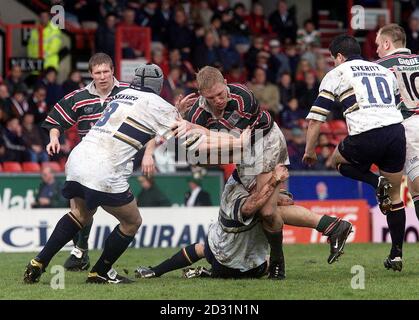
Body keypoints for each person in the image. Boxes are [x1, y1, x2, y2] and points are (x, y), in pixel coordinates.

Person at [23, 63, 188, 284]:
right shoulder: (162, 105)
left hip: (78, 157)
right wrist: (181, 113)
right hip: (105, 168)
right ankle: (100, 271)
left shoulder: (123, 94)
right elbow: (179, 133)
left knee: (81, 215)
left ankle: (39, 262)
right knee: (132, 222)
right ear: (158, 86)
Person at [135, 164, 352, 280]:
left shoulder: (247, 186)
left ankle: (332, 227)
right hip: (246, 266)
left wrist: (157, 270)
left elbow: (192, 251)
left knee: (205, 248)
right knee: (269, 212)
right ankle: (330, 226)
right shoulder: (233, 198)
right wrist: (276, 183)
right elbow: (251, 206)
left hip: (229, 260)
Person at [302, 35, 406, 271]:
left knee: (336, 160)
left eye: (333, 59)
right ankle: (397, 254)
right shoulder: (383, 70)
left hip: (366, 134)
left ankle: (373, 180)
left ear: (339, 56)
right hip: (395, 132)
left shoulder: (337, 73)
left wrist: (310, 151)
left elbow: (317, 118)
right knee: (394, 196)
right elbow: (397, 105)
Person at [41, 53, 129, 272]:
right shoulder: (79, 97)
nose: (102, 76)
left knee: (86, 209)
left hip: (118, 161)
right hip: (88, 160)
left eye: (106, 71)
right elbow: (56, 120)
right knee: (82, 208)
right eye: (97, 72)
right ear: (90, 74)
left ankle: (81, 252)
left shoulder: (128, 93)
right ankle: (82, 252)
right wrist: (54, 138)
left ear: (113, 71)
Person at [375, 24, 419, 271]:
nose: (377, 50)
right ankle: (395, 255)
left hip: (403, 127)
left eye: (379, 44)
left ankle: (397, 253)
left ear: (388, 44)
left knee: (396, 194)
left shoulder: (380, 67)